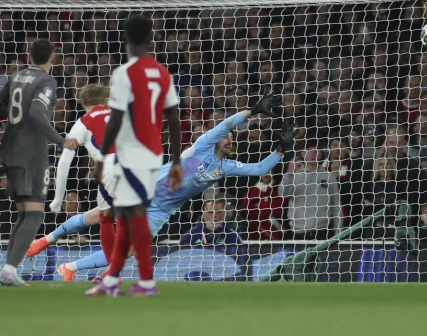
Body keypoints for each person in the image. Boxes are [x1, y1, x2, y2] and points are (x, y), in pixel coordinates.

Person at [38, 90, 295, 281]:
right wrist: (252, 111)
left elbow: (259, 169)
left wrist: (280, 150)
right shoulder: (202, 146)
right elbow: (224, 124)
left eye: (231, 139)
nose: (229, 139)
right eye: (226, 137)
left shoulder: (225, 167)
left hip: (159, 211)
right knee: (95, 216)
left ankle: (69, 267)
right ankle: (47, 239)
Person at [85, 15, 182, 297]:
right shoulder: (162, 73)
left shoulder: (124, 74)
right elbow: (174, 119)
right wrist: (176, 161)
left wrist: (100, 159)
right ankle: (112, 279)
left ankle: (147, 282)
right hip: (153, 154)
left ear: (126, 39)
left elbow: (115, 120)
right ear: (151, 40)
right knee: (126, 215)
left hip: (131, 153)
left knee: (134, 214)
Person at [0, 38, 78, 286]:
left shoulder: (17, 76)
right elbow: (36, 111)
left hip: (10, 150)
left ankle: (8, 269)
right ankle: (9, 269)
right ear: (52, 57)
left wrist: (14, 120)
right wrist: (60, 140)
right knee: (34, 215)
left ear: (29, 56)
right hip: (31, 154)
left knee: (24, 213)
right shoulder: (46, 81)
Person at [26, 84, 118, 281]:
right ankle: (110, 272)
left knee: (106, 219)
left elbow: (64, 162)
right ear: (106, 101)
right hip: (140, 169)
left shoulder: (82, 123)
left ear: (82, 104)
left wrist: (58, 199)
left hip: (111, 170)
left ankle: (109, 272)